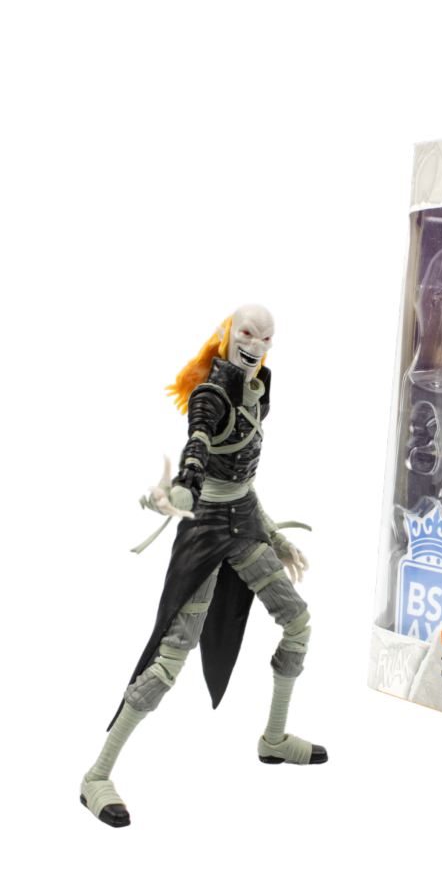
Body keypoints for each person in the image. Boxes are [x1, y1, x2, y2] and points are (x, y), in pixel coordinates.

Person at [80, 303, 326, 830]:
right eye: (248, 333)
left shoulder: (256, 393)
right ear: (226, 334)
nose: (256, 345)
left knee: (298, 622)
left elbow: (244, 484)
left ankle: (274, 738)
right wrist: (174, 494)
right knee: (170, 659)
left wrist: (276, 539)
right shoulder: (211, 396)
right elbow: (196, 452)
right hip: (206, 528)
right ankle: (96, 775)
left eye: (266, 338)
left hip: (244, 523)